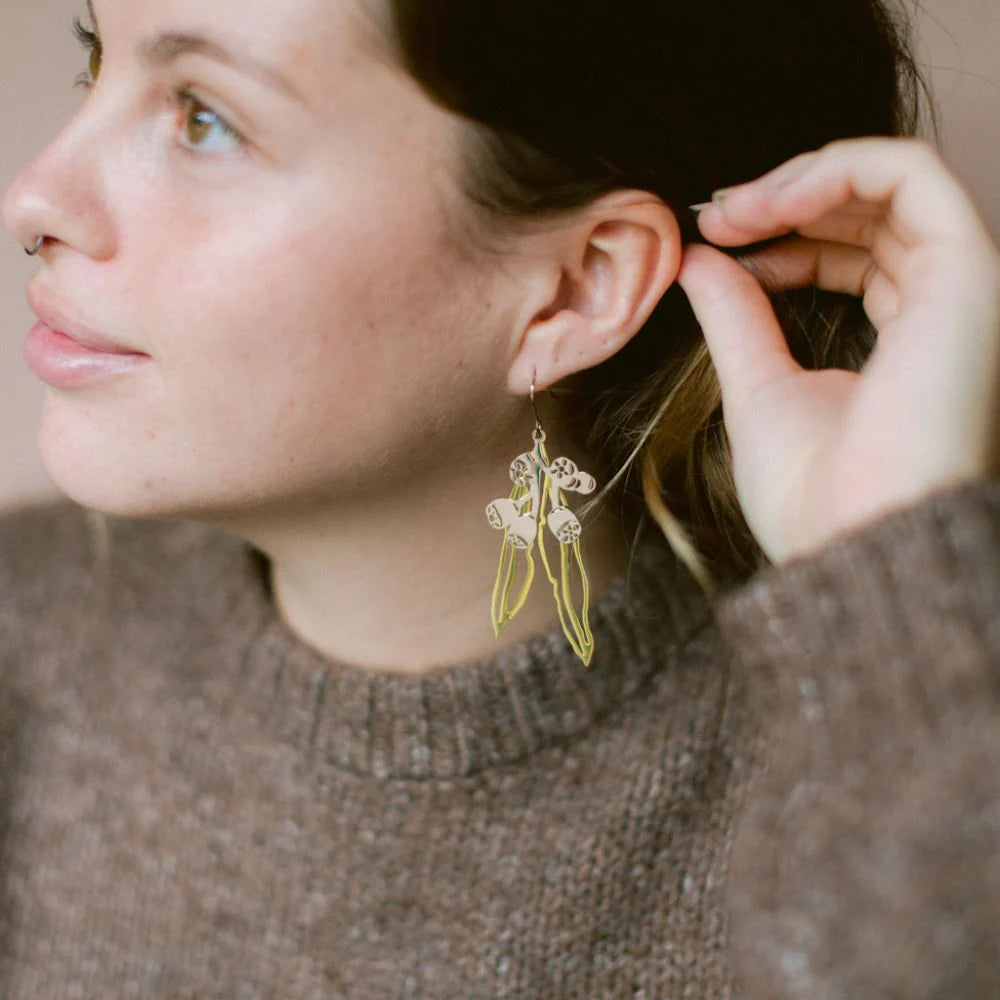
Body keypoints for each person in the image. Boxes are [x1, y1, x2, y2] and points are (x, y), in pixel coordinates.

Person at [1, 0, 999, 994]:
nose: (33, 198)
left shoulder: (867, 765)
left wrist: (889, 578)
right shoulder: (25, 632)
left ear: (573, 292)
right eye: (98, 57)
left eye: (204, 118)